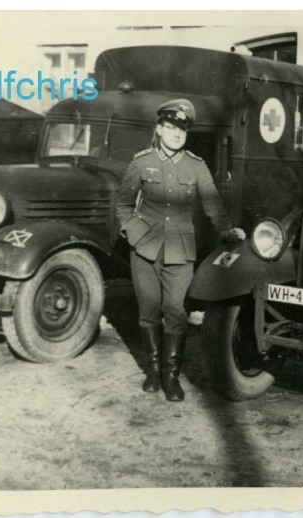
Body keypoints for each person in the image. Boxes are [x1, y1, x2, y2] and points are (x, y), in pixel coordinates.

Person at [116, 98, 245, 402]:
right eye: (171, 127)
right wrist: (135, 235)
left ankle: (171, 377)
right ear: (159, 128)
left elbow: (213, 204)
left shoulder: (195, 166)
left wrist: (227, 230)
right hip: (144, 250)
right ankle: (152, 371)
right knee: (148, 313)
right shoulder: (141, 162)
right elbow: (123, 205)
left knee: (175, 312)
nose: (176, 134)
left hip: (180, 252)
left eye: (182, 129)